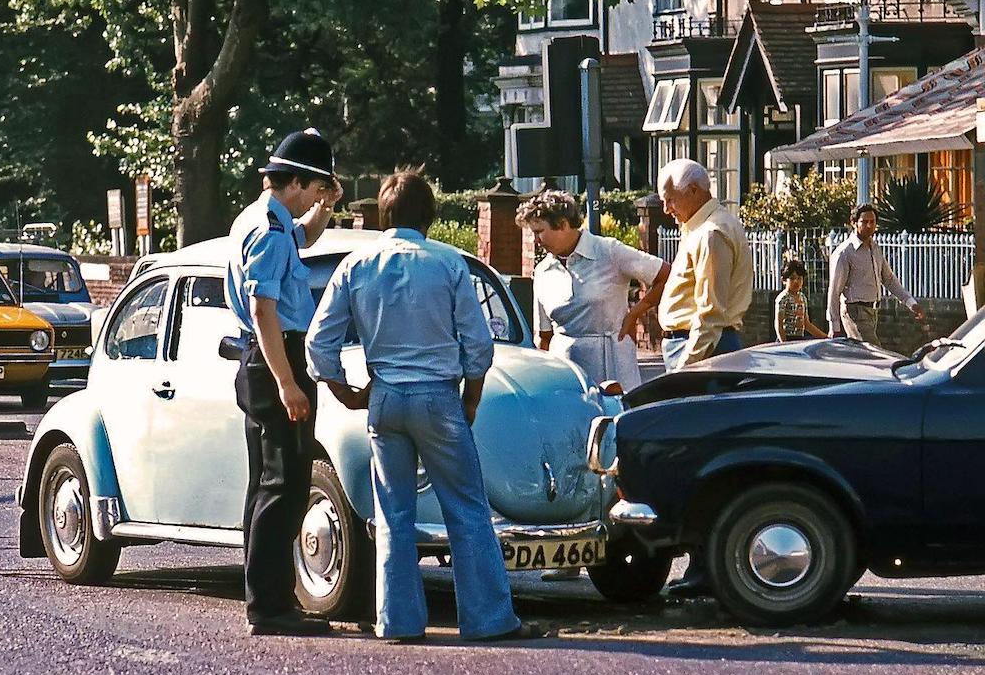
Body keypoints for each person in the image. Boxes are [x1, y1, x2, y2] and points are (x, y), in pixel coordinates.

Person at [306, 171, 539, 643]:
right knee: (467, 508)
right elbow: (477, 342)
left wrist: (345, 391)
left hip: (385, 396)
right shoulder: (449, 263)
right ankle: (488, 619)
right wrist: (470, 398)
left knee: (393, 512)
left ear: (385, 215)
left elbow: (319, 341)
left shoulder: (356, 264)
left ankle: (397, 621)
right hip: (437, 395)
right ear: (430, 217)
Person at [515, 189, 669, 582]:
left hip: (611, 356)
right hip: (567, 363)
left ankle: (625, 544)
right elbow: (543, 334)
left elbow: (662, 272)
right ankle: (569, 551)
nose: (537, 239)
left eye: (541, 231)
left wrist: (636, 312)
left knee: (618, 451)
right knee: (572, 452)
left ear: (565, 225)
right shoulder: (544, 270)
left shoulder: (608, 251)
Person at [225, 128, 342, 637]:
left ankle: (263, 598)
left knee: (264, 485)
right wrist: (288, 382)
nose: (317, 197)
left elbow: (306, 236)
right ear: (294, 182)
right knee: (287, 485)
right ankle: (270, 607)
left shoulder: (263, 219)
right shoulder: (270, 232)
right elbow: (264, 309)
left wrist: (327, 208)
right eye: (315, 189)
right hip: (277, 355)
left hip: (260, 356)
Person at [657, 158, 753, 597]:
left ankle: (706, 569)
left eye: (669, 198)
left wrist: (683, 372)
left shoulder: (711, 233)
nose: (665, 208)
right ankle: (705, 566)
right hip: (702, 347)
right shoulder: (703, 226)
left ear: (694, 191)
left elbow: (710, 315)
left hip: (703, 352)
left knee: (701, 462)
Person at [827, 204, 925, 346]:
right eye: (864, 222)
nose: (869, 226)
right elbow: (834, 291)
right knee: (872, 354)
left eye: (872, 222)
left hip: (873, 311)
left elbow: (889, 279)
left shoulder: (875, 248)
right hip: (855, 310)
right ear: (854, 223)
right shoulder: (845, 252)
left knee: (863, 358)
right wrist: (834, 327)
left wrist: (911, 303)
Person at [775, 260, 826, 343]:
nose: (796, 281)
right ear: (784, 280)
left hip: (799, 339)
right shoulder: (783, 298)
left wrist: (824, 337)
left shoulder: (802, 297)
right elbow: (779, 324)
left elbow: (806, 324)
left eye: (799, 278)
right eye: (792, 278)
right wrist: (784, 344)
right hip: (786, 339)